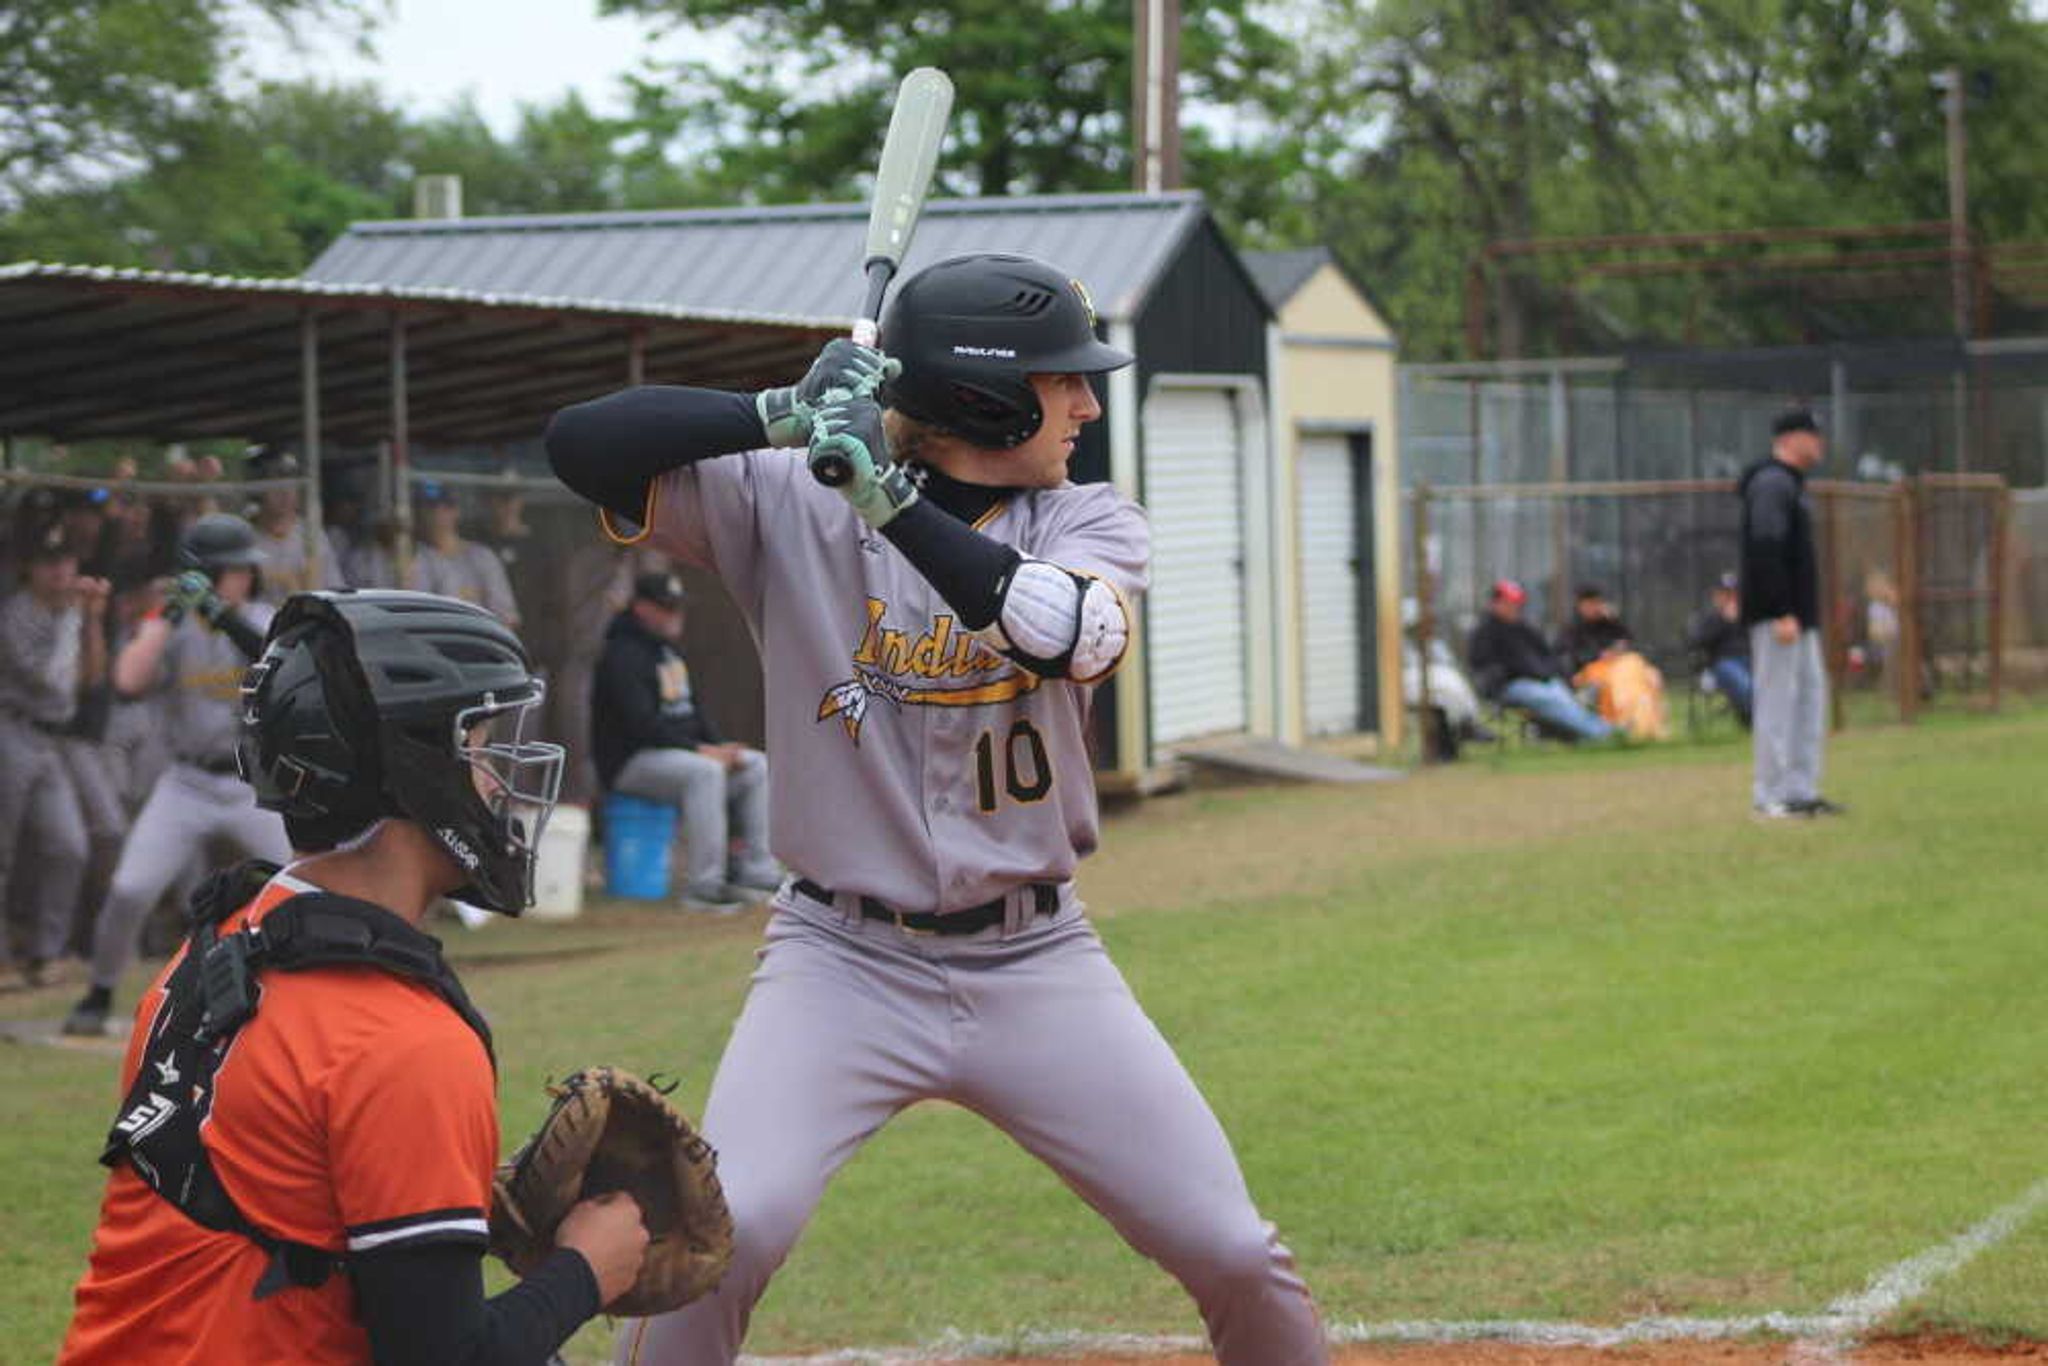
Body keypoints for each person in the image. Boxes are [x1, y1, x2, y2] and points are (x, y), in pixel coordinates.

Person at [546, 251, 1329, 1366]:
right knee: (720, 1238)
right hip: (838, 962)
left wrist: (888, 497)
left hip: (1037, 961)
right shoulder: (784, 496)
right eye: (1065, 380)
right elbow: (580, 445)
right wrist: (771, 411)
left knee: (1227, 1245)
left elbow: (1070, 634)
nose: (1088, 403)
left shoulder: (1087, 520)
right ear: (986, 396)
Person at [61, 589, 650, 1365]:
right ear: (416, 768)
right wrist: (587, 1269)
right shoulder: (404, 1042)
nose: (499, 783)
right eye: (478, 745)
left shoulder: (216, 943)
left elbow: (280, 1187)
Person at [63, 514, 292, 1036]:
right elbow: (126, 680)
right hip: (185, 783)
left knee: (300, 885)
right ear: (203, 571)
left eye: (242, 569)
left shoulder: (264, 616)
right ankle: (99, 993)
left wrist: (222, 614)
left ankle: (311, 987)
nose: (241, 577)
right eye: (228, 569)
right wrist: (169, 613)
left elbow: (273, 659)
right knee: (128, 890)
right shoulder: (171, 624)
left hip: (252, 786)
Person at [592, 571, 777, 912]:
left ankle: (758, 874)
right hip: (630, 763)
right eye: (667, 608)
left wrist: (722, 746)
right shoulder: (622, 653)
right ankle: (704, 888)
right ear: (642, 608)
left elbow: (693, 714)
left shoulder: (667, 651)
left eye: (678, 607)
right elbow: (642, 725)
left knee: (755, 766)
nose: (676, 614)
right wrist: (703, 751)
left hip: (677, 757)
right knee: (705, 772)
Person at [0, 525, 109, 985]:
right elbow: (49, 680)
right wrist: (74, 617)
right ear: (30, 569)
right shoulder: (15, 614)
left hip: (51, 739)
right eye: (51, 564)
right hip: (10, 728)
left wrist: (94, 619)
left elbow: (90, 680)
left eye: (68, 562)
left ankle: (47, 953)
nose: (63, 572)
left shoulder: (71, 612)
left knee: (69, 846)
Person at [1738, 409, 1843, 818]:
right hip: (1778, 616)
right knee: (1778, 702)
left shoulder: (1792, 485)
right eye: (1812, 436)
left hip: (1799, 618)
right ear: (1789, 439)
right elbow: (1765, 545)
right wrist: (1780, 608)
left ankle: (1800, 789)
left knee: (1809, 700)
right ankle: (1770, 795)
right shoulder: (1770, 483)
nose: (1819, 444)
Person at [1466, 579, 1613, 742]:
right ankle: (1604, 734)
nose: (1514, 607)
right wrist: (1512, 673)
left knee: (1560, 694)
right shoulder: (1485, 631)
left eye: (1516, 603)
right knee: (1549, 696)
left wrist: (1550, 673)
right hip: (1508, 686)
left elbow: (1548, 655)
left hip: (1541, 681)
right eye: (1508, 603)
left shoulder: (1524, 628)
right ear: (1495, 603)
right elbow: (1483, 666)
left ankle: (1590, 734)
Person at [1560, 585, 1668, 741]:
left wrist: (1614, 622)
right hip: (1593, 673)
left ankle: (1647, 724)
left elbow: (1629, 642)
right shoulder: (1572, 629)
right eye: (1590, 604)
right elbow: (1570, 656)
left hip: (1622, 668)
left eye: (1597, 603)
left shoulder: (1609, 625)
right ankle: (1623, 723)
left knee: (1649, 675)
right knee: (1618, 682)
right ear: (1580, 606)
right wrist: (1599, 655)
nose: (1594, 608)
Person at [410, 481, 522, 626]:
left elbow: (506, 618)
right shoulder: (414, 557)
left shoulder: (481, 556)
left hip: (475, 640)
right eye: (424, 508)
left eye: (442, 508)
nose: (432, 515)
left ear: (455, 511)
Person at [245, 445, 347, 597]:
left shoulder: (311, 535)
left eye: (291, 483)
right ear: (257, 491)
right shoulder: (246, 537)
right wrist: (280, 578)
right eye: (275, 485)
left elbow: (335, 591)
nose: (285, 492)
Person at [1688, 572, 1753, 726]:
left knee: (1764, 678)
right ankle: (1748, 714)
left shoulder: (1748, 616)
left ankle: (1749, 714)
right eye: (1725, 594)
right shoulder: (1709, 618)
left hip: (1750, 661)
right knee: (1744, 683)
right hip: (1722, 664)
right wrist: (1723, 621)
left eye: (1733, 594)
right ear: (1717, 596)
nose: (1730, 598)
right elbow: (1696, 641)